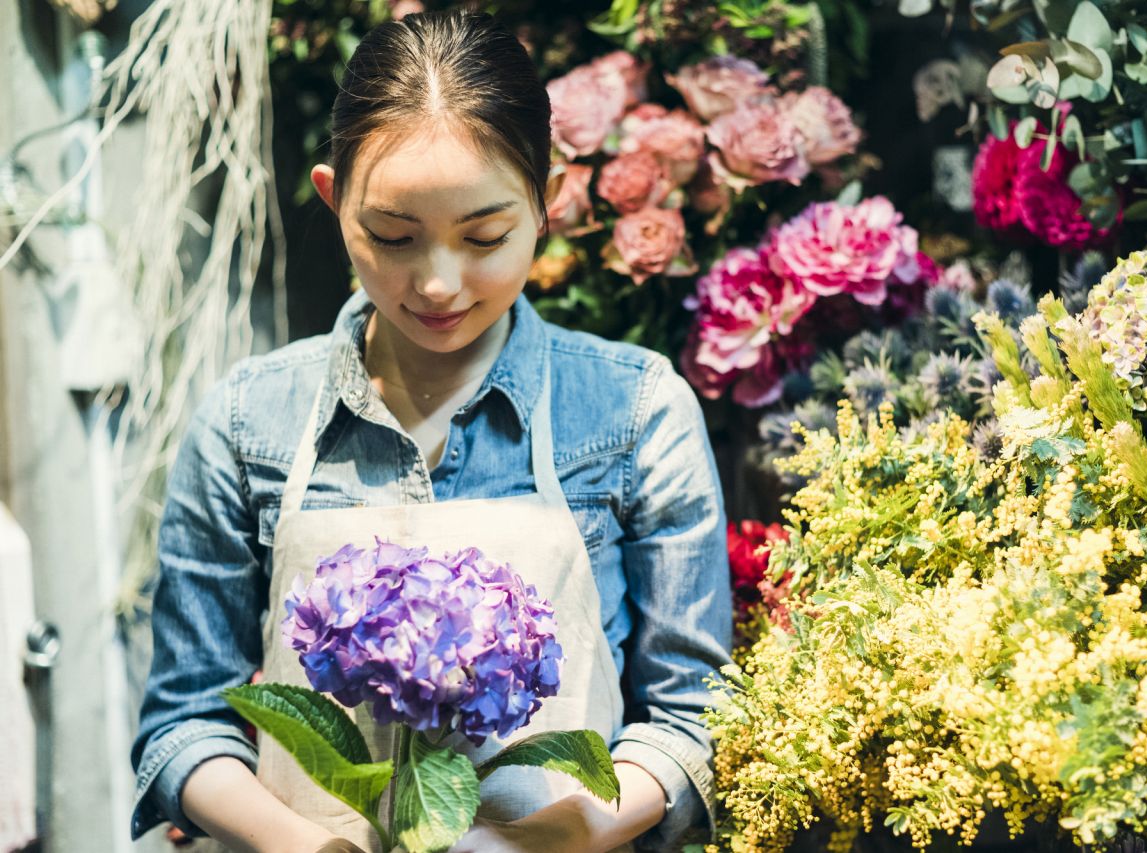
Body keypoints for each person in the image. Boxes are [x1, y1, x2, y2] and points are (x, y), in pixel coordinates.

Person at [129, 10, 731, 853]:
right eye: (392, 236)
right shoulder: (246, 422)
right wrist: (310, 847)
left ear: (546, 202)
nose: (438, 283)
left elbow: (694, 716)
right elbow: (183, 724)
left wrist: (545, 838)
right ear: (333, 198)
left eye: (485, 235)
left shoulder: (634, 412)